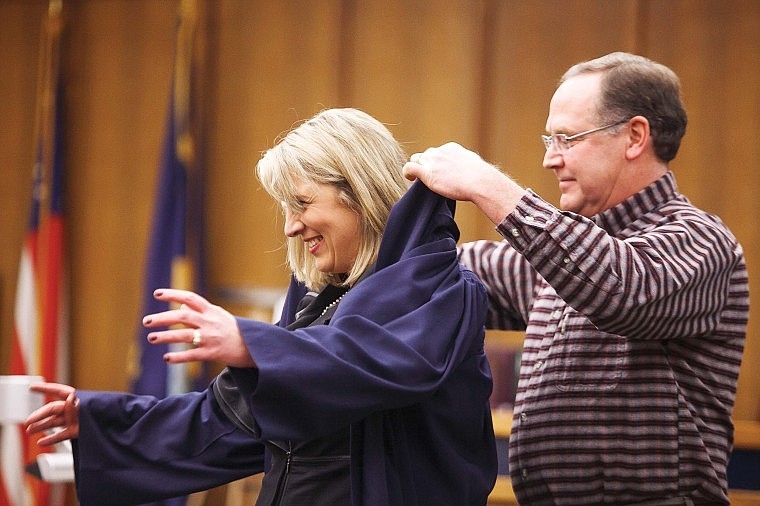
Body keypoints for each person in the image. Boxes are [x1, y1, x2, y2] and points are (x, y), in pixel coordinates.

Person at [25, 108, 498, 505]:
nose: (291, 227)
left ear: (359, 193)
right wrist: (100, 420)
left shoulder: (444, 290)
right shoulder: (319, 305)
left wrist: (251, 343)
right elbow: (228, 421)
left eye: (301, 203)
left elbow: (369, 362)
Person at [403, 52, 749, 505]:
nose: (550, 159)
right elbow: (440, 273)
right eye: (550, 139)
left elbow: (623, 289)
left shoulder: (703, 241)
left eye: (566, 139)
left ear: (634, 136)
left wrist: (486, 184)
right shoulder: (561, 258)